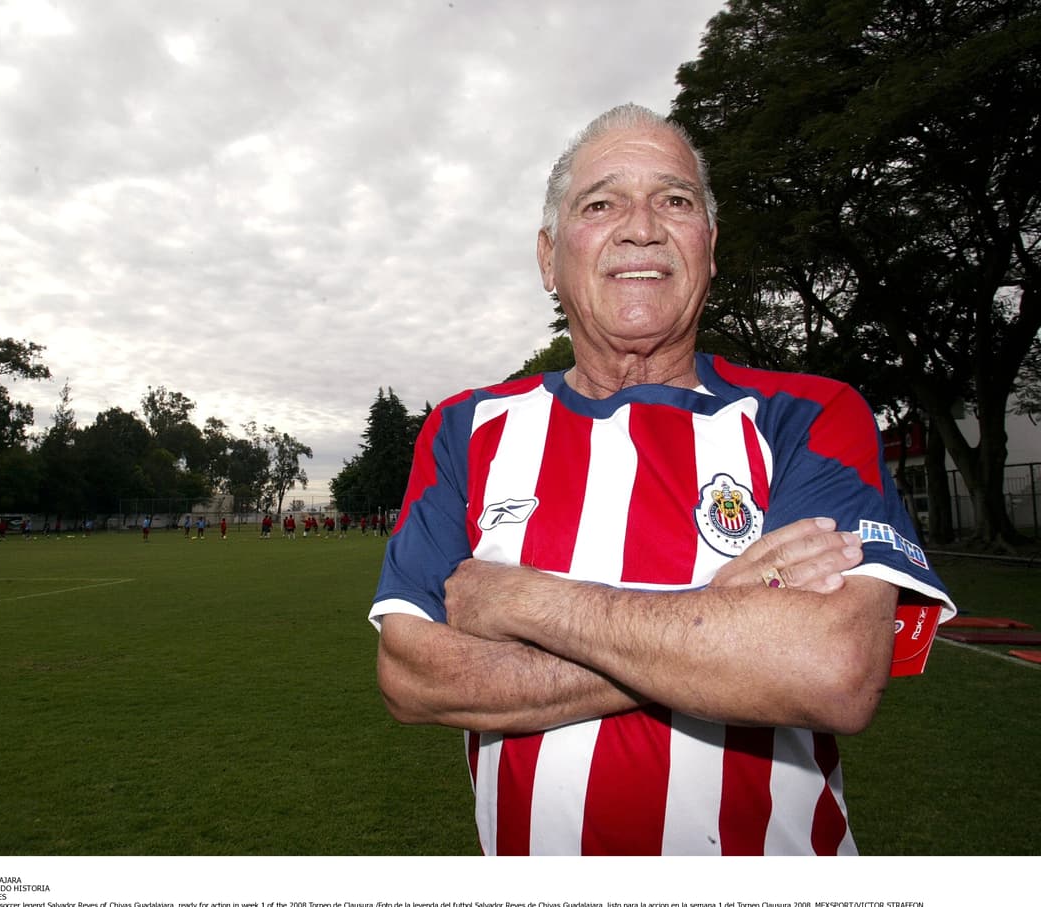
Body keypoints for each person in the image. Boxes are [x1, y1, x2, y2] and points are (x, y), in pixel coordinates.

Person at [369, 104, 956, 857]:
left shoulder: (810, 414)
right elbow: (414, 675)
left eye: (675, 201)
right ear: (549, 257)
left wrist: (520, 599)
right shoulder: (465, 428)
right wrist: (722, 625)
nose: (641, 226)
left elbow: (833, 667)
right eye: (601, 202)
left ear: (710, 248)